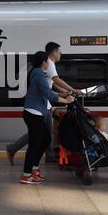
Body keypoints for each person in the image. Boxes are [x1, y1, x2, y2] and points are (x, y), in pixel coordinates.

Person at [6, 42, 82, 165]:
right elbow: (55, 82)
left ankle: (47, 156)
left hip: (44, 105)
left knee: (43, 134)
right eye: (59, 51)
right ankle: (30, 163)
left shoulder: (45, 68)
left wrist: (64, 93)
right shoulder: (47, 67)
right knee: (40, 134)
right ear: (53, 52)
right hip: (39, 106)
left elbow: (53, 85)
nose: (60, 54)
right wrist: (71, 92)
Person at [21, 51, 74, 184]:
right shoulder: (38, 73)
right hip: (33, 114)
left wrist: (64, 93)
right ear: (43, 62)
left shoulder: (37, 73)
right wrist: (66, 101)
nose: (48, 64)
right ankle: (26, 175)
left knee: (45, 139)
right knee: (35, 144)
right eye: (47, 62)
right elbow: (48, 95)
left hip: (37, 112)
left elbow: (47, 91)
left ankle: (34, 168)